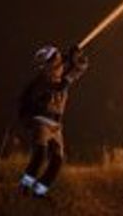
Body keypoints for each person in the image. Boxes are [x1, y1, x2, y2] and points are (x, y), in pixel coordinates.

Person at [18, 44, 88, 198]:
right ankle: (24, 188)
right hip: (41, 121)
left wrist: (77, 59)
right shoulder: (42, 81)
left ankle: (39, 192)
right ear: (47, 65)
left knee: (57, 161)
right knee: (40, 155)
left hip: (56, 125)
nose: (60, 63)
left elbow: (79, 69)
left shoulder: (61, 77)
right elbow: (59, 87)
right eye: (56, 60)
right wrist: (70, 66)